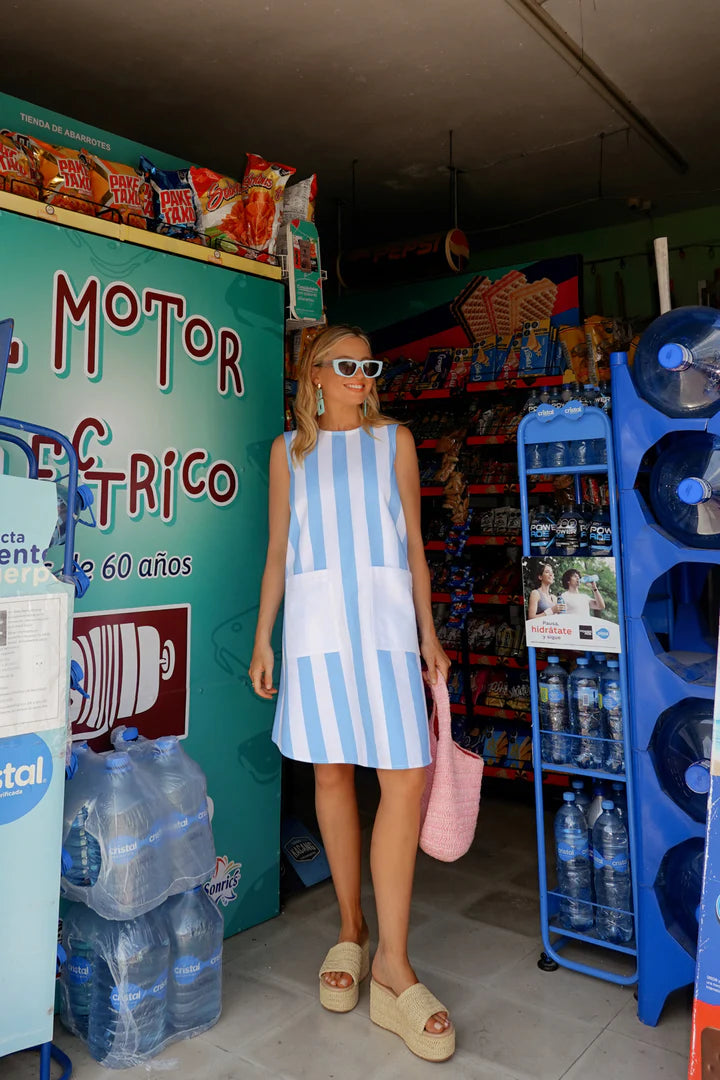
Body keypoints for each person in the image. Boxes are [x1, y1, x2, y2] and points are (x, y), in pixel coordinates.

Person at [249, 324, 455, 1062]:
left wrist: (428, 635)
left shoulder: (392, 440)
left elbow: (413, 547)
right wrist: (263, 635)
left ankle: (395, 967)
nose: (362, 377)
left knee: (405, 777)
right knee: (331, 773)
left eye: (368, 366)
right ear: (313, 374)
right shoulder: (287, 452)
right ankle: (352, 930)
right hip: (313, 630)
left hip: (387, 628)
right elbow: (277, 548)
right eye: (347, 365)